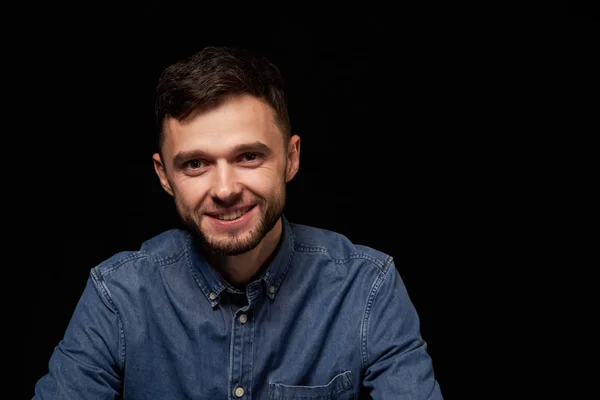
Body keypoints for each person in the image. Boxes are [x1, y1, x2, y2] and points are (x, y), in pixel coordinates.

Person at [34, 46, 443, 399]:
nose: (225, 189)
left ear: (291, 157)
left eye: (248, 156)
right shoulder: (118, 297)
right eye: (196, 164)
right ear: (164, 176)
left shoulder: (368, 288)